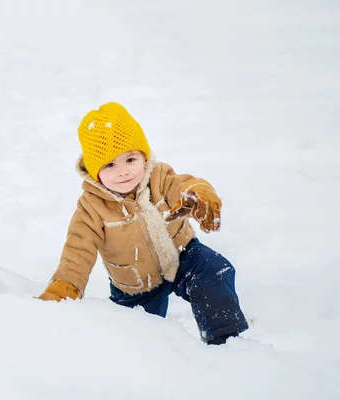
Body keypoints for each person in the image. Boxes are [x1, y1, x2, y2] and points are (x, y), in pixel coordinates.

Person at [38, 102, 248, 345]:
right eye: (110, 165)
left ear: (143, 156)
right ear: (94, 172)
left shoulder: (158, 177)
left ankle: (226, 342)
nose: (123, 172)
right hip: (135, 284)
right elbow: (78, 250)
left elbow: (182, 185)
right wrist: (65, 286)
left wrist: (198, 193)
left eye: (130, 159)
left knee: (214, 271)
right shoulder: (91, 207)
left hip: (181, 254)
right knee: (138, 337)